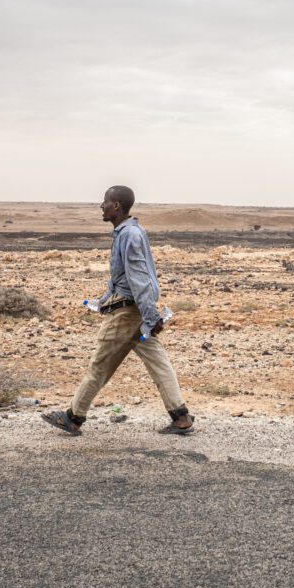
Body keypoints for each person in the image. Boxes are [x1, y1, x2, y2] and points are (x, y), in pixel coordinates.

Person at [42, 186, 194, 436]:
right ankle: (181, 417)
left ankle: (73, 417)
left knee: (100, 365)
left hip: (127, 313)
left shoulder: (129, 235)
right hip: (133, 310)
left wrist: (150, 316)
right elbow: (124, 278)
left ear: (117, 206)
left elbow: (139, 279)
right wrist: (104, 301)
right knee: (159, 363)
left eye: (105, 202)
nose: (101, 206)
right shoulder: (129, 232)